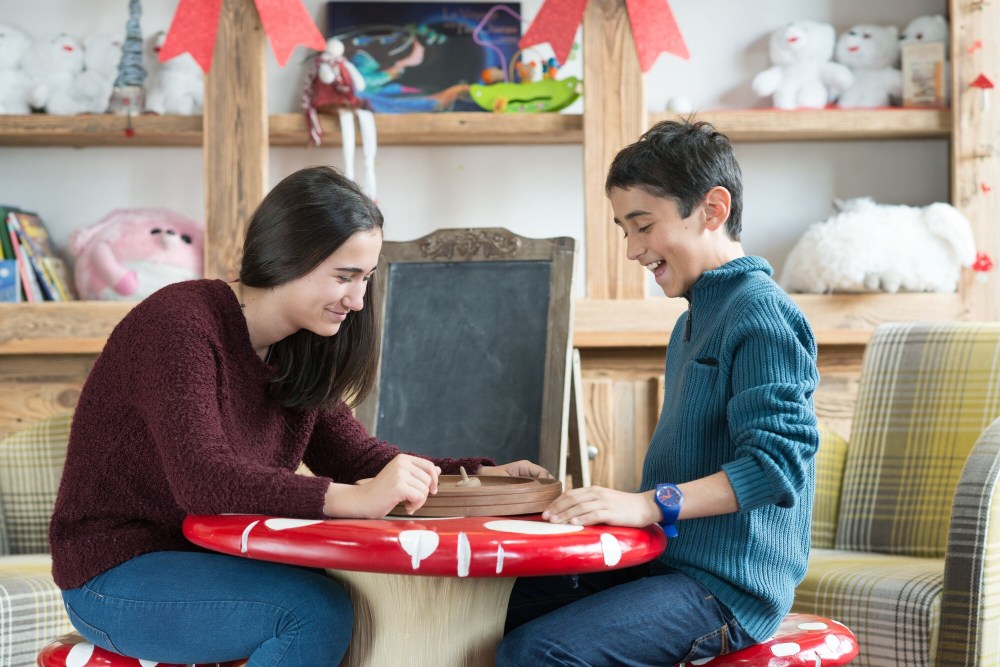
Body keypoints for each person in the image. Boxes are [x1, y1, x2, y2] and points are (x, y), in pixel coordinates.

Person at [49, 166, 549, 666]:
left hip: (212, 559)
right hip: (115, 572)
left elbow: (360, 459)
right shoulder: (178, 323)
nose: (357, 300)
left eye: (366, 278)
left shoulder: (300, 346)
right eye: (344, 277)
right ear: (286, 256)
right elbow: (201, 479)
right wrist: (356, 500)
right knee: (311, 612)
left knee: (373, 593)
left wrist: (479, 476)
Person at [496, 120, 820, 666]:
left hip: (729, 590)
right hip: (664, 563)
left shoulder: (762, 314)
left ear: (713, 209)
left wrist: (647, 504)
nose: (633, 250)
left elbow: (777, 469)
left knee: (537, 652)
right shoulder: (690, 322)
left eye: (643, 226)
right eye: (625, 231)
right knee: (492, 604)